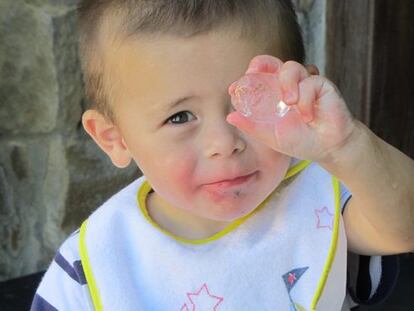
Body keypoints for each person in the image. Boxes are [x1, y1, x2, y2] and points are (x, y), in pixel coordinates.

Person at [31, 0, 414, 310]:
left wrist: (346, 146)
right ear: (114, 138)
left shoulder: (321, 200)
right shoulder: (94, 263)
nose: (224, 141)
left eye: (249, 100)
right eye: (180, 117)